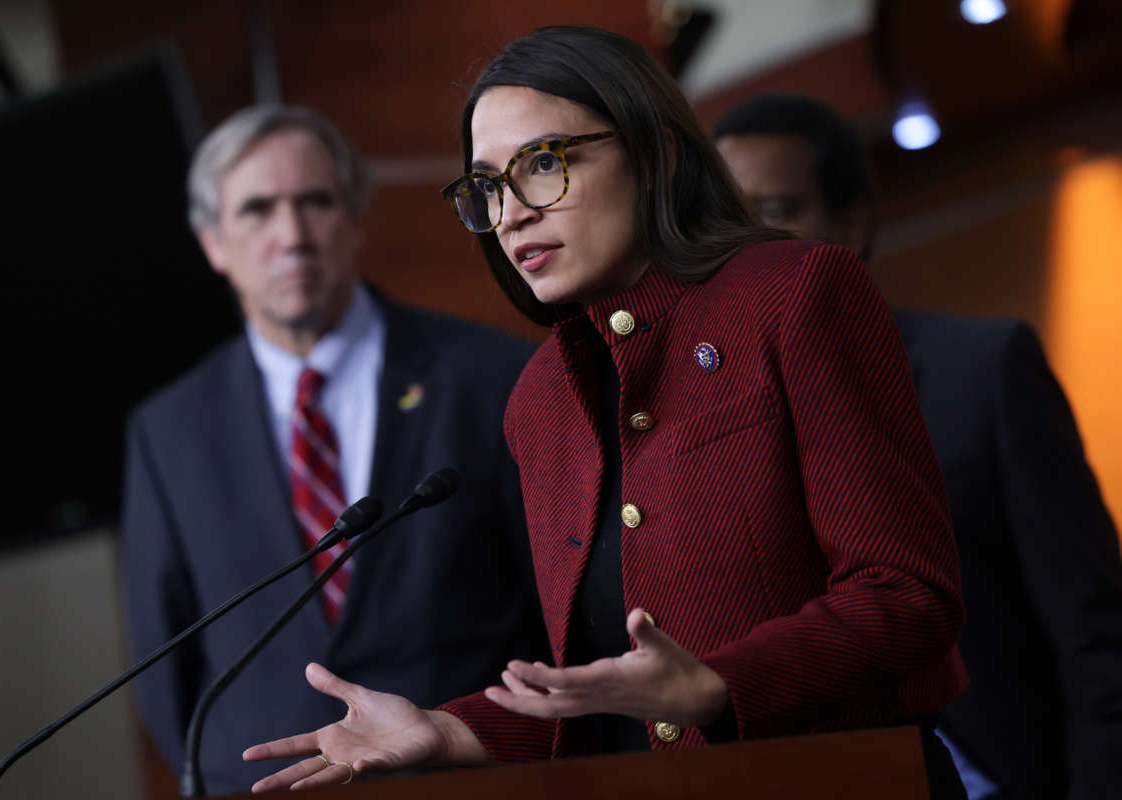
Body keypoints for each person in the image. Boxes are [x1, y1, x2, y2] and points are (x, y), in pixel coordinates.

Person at [241, 27, 969, 796]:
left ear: (654, 153)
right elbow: (599, 696)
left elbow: (909, 594)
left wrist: (718, 687)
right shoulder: (539, 399)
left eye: (545, 164)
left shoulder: (794, 293)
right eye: (487, 186)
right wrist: (450, 730)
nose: (513, 212)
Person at [121, 105, 550, 795]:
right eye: (257, 210)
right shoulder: (166, 429)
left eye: (314, 202)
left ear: (355, 219)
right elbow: (162, 668)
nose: (290, 235)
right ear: (213, 243)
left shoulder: (492, 377)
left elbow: (554, 611)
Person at [714, 93, 1122, 800]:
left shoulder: (983, 370)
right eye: (725, 220)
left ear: (853, 222)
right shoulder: (696, 425)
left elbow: (1094, 631)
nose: (748, 244)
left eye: (777, 211)